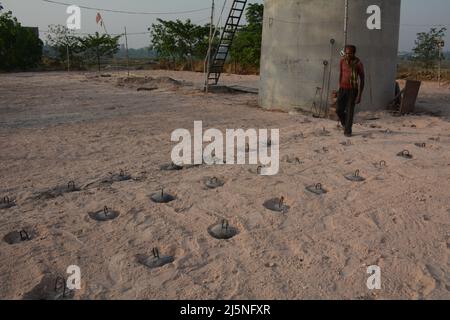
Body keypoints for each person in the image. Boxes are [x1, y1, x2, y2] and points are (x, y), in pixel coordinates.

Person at [337, 45, 365, 137]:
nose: (348, 55)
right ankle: (345, 123)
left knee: (349, 111)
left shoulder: (358, 63)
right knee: (338, 110)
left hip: (353, 90)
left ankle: (348, 131)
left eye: (350, 53)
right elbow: (341, 74)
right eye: (346, 53)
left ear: (354, 53)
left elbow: (362, 79)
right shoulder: (342, 61)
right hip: (342, 89)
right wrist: (339, 87)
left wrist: (359, 95)